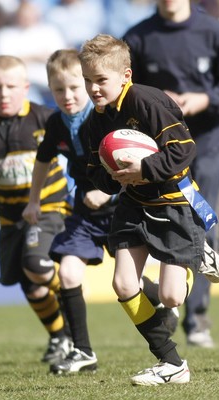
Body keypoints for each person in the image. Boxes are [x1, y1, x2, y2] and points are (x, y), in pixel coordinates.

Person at [78, 33, 219, 385]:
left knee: (172, 295)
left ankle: (198, 254)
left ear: (125, 76)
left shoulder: (146, 101)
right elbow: (98, 172)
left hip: (174, 202)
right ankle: (172, 363)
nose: (94, 89)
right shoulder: (94, 122)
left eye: (101, 80)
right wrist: (113, 179)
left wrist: (143, 169)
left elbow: (183, 150)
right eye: (88, 81)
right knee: (124, 283)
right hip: (133, 204)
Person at [22, 48, 175, 375]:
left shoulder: (105, 117)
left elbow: (132, 160)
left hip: (120, 206)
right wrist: (33, 201)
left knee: (127, 280)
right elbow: (42, 160)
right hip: (84, 213)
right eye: (58, 90)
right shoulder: (56, 123)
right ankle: (82, 351)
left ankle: (160, 304)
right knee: (67, 273)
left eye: (75, 87)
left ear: (89, 85)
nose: (68, 96)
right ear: (50, 90)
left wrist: (107, 194)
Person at [123, 0, 219, 347]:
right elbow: (120, 92)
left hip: (208, 141)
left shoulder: (212, 31)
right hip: (158, 152)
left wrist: (204, 99)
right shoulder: (138, 37)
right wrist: (154, 101)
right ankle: (168, 296)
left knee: (204, 219)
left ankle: (196, 319)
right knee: (151, 219)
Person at [0, 55, 72, 364]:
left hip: (49, 209)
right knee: (31, 286)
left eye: (10, 86)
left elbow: (81, 149)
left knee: (36, 264)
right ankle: (60, 338)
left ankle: (72, 291)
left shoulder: (45, 118)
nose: (3, 93)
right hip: (10, 219)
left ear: (25, 88)